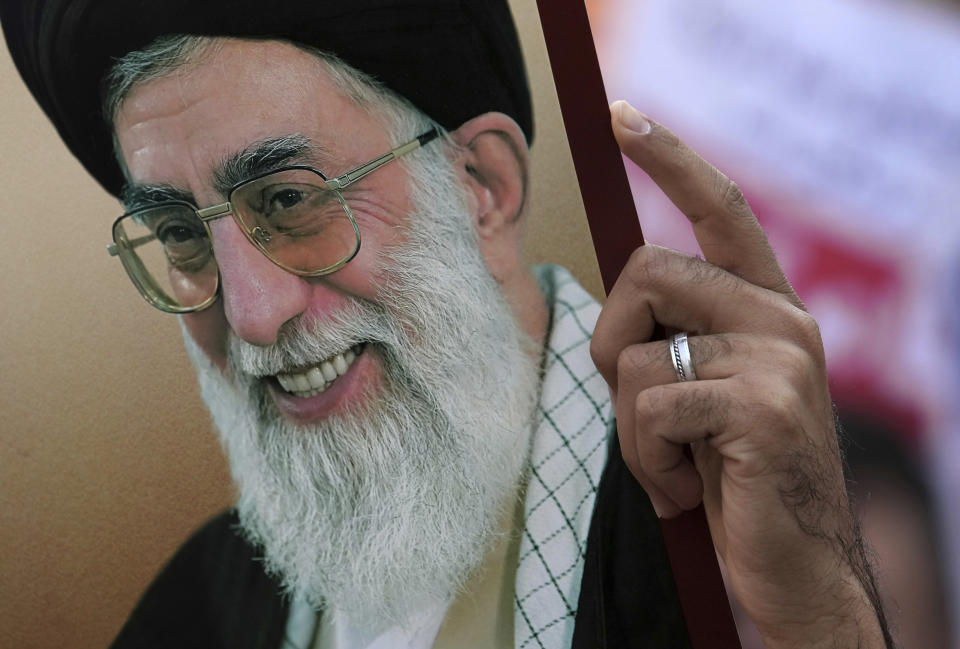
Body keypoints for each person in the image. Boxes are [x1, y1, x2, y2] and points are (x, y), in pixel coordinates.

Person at [1, 1, 894, 647]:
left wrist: (819, 616)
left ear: (482, 186)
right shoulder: (201, 610)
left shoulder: (720, 528)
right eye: (182, 235)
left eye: (287, 198)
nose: (252, 314)